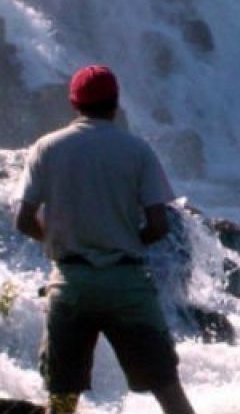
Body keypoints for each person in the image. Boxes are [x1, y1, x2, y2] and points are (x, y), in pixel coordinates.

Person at [12, 65, 197, 414]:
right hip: (127, 283)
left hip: (70, 282)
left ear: (74, 103)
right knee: (169, 393)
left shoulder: (46, 148)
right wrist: (126, 243)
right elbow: (159, 225)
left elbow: (23, 219)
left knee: (62, 400)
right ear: (115, 103)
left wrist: (58, 242)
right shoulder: (137, 150)